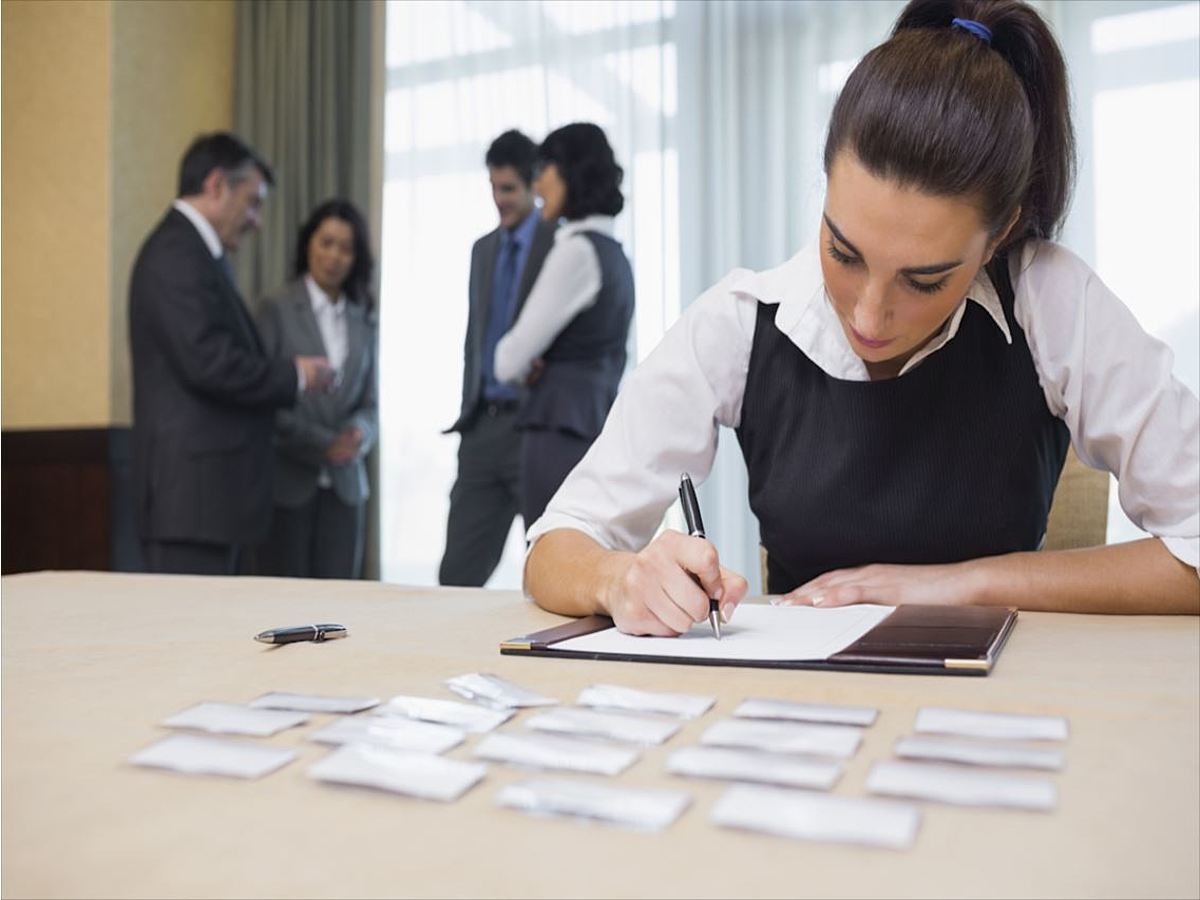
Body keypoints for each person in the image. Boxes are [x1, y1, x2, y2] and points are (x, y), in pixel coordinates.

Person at [523, 0, 1200, 633]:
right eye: (843, 253)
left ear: (998, 238)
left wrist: (958, 585)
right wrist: (620, 578)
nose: (870, 314)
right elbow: (556, 546)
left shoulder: (1048, 301)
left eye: (924, 279)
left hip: (995, 710)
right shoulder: (742, 322)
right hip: (800, 711)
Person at [129, 132, 335, 576]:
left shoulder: (196, 252)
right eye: (253, 201)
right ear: (217, 185)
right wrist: (294, 375)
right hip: (190, 504)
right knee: (190, 640)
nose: (257, 220)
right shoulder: (175, 252)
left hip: (207, 503)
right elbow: (208, 362)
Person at [495, 122, 635, 528]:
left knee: (549, 567)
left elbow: (506, 361)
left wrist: (534, 363)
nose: (537, 184)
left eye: (545, 170)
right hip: (594, 429)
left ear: (569, 172)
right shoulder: (615, 255)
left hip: (557, 433)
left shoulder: (575, 252)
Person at [438, 130, 558, 587]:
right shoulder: (482, 250)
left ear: (533, 186)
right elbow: (476, 336)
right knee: (457, 574)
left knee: (548, 575)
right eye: (493, 187)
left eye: (507, 189)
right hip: (482, 428)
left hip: (537, 427)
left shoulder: (561, 244)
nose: (499, 199)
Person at [257, 199, 378, 579]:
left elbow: (370, 403)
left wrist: (360, 433)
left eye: (346, 247)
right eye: (326, 242)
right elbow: (263, 395)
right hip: (289, 482)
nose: (334, 256)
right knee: (287, 601)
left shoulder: (363, 318)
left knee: (340, 607)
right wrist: (322, 442)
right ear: (309, 243)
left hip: (347, 486)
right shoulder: (274, 308)